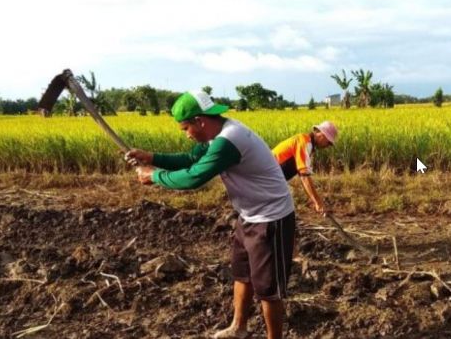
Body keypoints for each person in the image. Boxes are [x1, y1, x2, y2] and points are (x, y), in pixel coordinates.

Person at [125, 91, 295, 339]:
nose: (186, 134)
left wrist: (154, 175)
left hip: (271, 219)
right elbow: (190, 159)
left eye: (185, 128)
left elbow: (194, 177)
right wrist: (151, 157)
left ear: (200, 121)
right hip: (248, 215)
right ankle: (239, 328)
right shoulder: (216, 137)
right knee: (242, 274)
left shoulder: (229, 139)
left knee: (269, 289)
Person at [272, 121, 338, 214]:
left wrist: (314, 199)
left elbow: (304, 175)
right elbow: (304, 177)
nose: (328, 146)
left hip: (271, 180)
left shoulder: (307, 144)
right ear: (322, 135)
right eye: (329, 143)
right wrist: (317, 202)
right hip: (265, 178)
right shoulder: (304, 142)